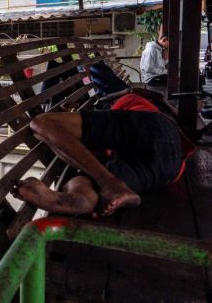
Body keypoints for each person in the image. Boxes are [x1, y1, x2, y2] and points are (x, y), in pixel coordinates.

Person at [14, 93, 188, 217]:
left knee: (41, 123)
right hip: (171, 170)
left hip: (153, 129)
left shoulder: (128, 101)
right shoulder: (144, 105)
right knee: (87, 182)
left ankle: (106, 182)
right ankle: (82, 199)